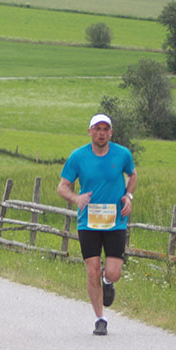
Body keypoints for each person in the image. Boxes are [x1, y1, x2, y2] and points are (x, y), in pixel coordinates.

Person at [57, 114, 138, 336]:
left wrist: (128, 196)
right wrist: (76, 199)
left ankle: (107, 281)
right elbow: (63, 186)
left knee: (113, 272)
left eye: (105, 129)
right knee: (91, 270)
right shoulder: (77, 157)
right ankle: (100, 318)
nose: (101, 133)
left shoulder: (122, 154)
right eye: (97, 129)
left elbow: (133, 175)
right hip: (88, 222)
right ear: (90, 131)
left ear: (111, 132)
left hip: (115, 222)